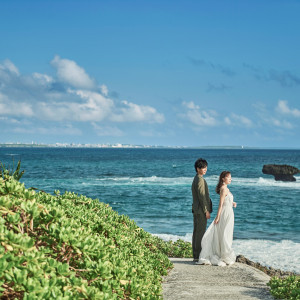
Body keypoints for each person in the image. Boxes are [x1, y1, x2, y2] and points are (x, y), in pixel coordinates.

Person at [197, 171, 236, 266]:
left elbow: (227, 201)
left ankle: (224, 254)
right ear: (223, 179)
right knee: (224, 234)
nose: (230, 179)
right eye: (228, 177)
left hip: (229, 213)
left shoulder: (226, 188)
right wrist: (218, 217)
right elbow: (221, 204)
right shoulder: (223, 189)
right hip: (225, 214)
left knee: (226, 233)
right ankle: (224, 255)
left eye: (231, 177)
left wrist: (232, 203)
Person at [191, 158, 212, 262]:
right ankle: (198, 255)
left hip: (196, 209)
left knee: (196, 232)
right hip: (200, 210)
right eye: (203, 168)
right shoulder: (200, 180)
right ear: (197, 169)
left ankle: (195, 255)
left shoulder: (196, 178)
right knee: (200, 233)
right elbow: (202, 196)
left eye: (205, 167)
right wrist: (206, 210)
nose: (205, 169)